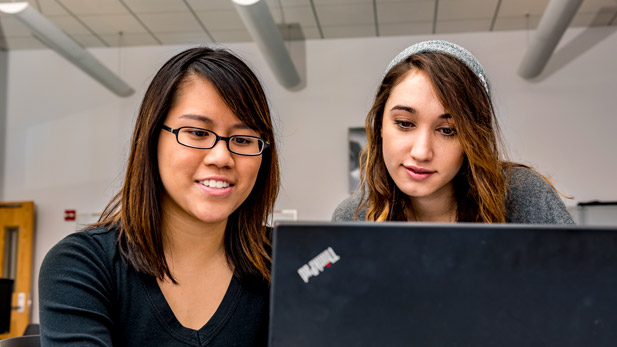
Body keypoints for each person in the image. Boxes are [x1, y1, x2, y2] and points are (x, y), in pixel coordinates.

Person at [38, 46, 280, 346]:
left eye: (243, 139)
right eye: (197, 133)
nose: (222, 157)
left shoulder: (287, 263)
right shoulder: (82, 264)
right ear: (152, 138)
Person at [332, 40, 573, 224]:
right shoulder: (353, 217)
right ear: (380, 126)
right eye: (405, 123)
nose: (421, 152)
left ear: (473, 139)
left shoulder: (524, 196)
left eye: (447, 130)